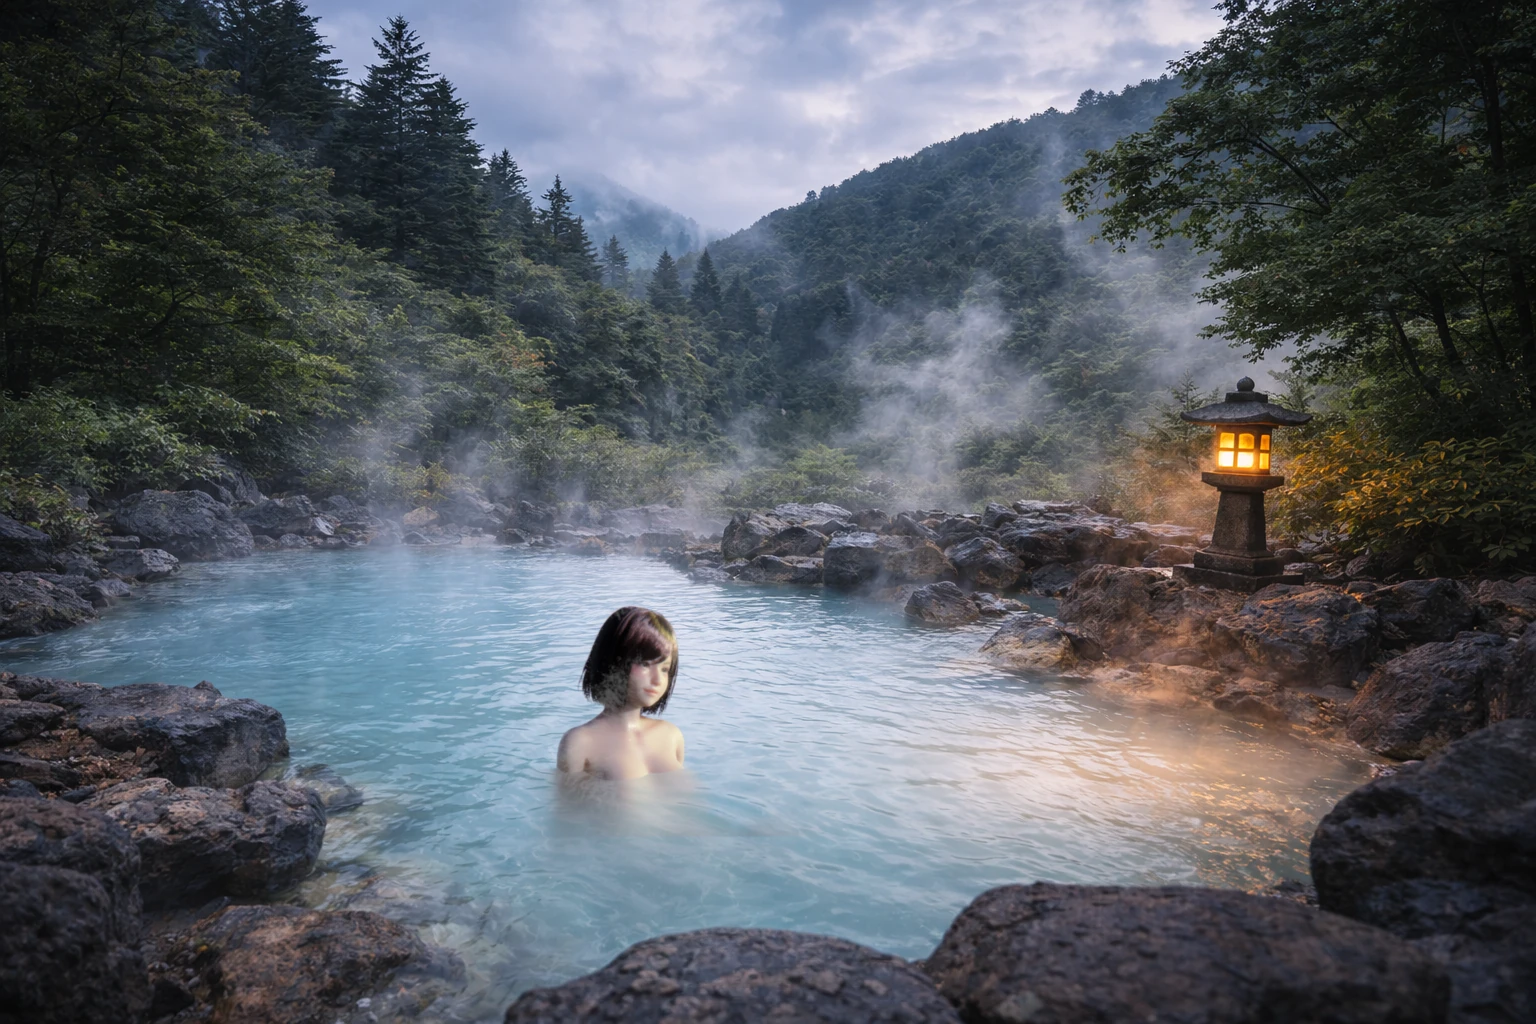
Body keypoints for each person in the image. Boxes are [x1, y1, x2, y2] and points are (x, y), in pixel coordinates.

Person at [557, 607, 685, 780]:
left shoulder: (671, 735)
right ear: (613, 663)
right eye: (645, 664)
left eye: (664, 669)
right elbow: (567, 805)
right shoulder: (580, 743)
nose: (658, 680)